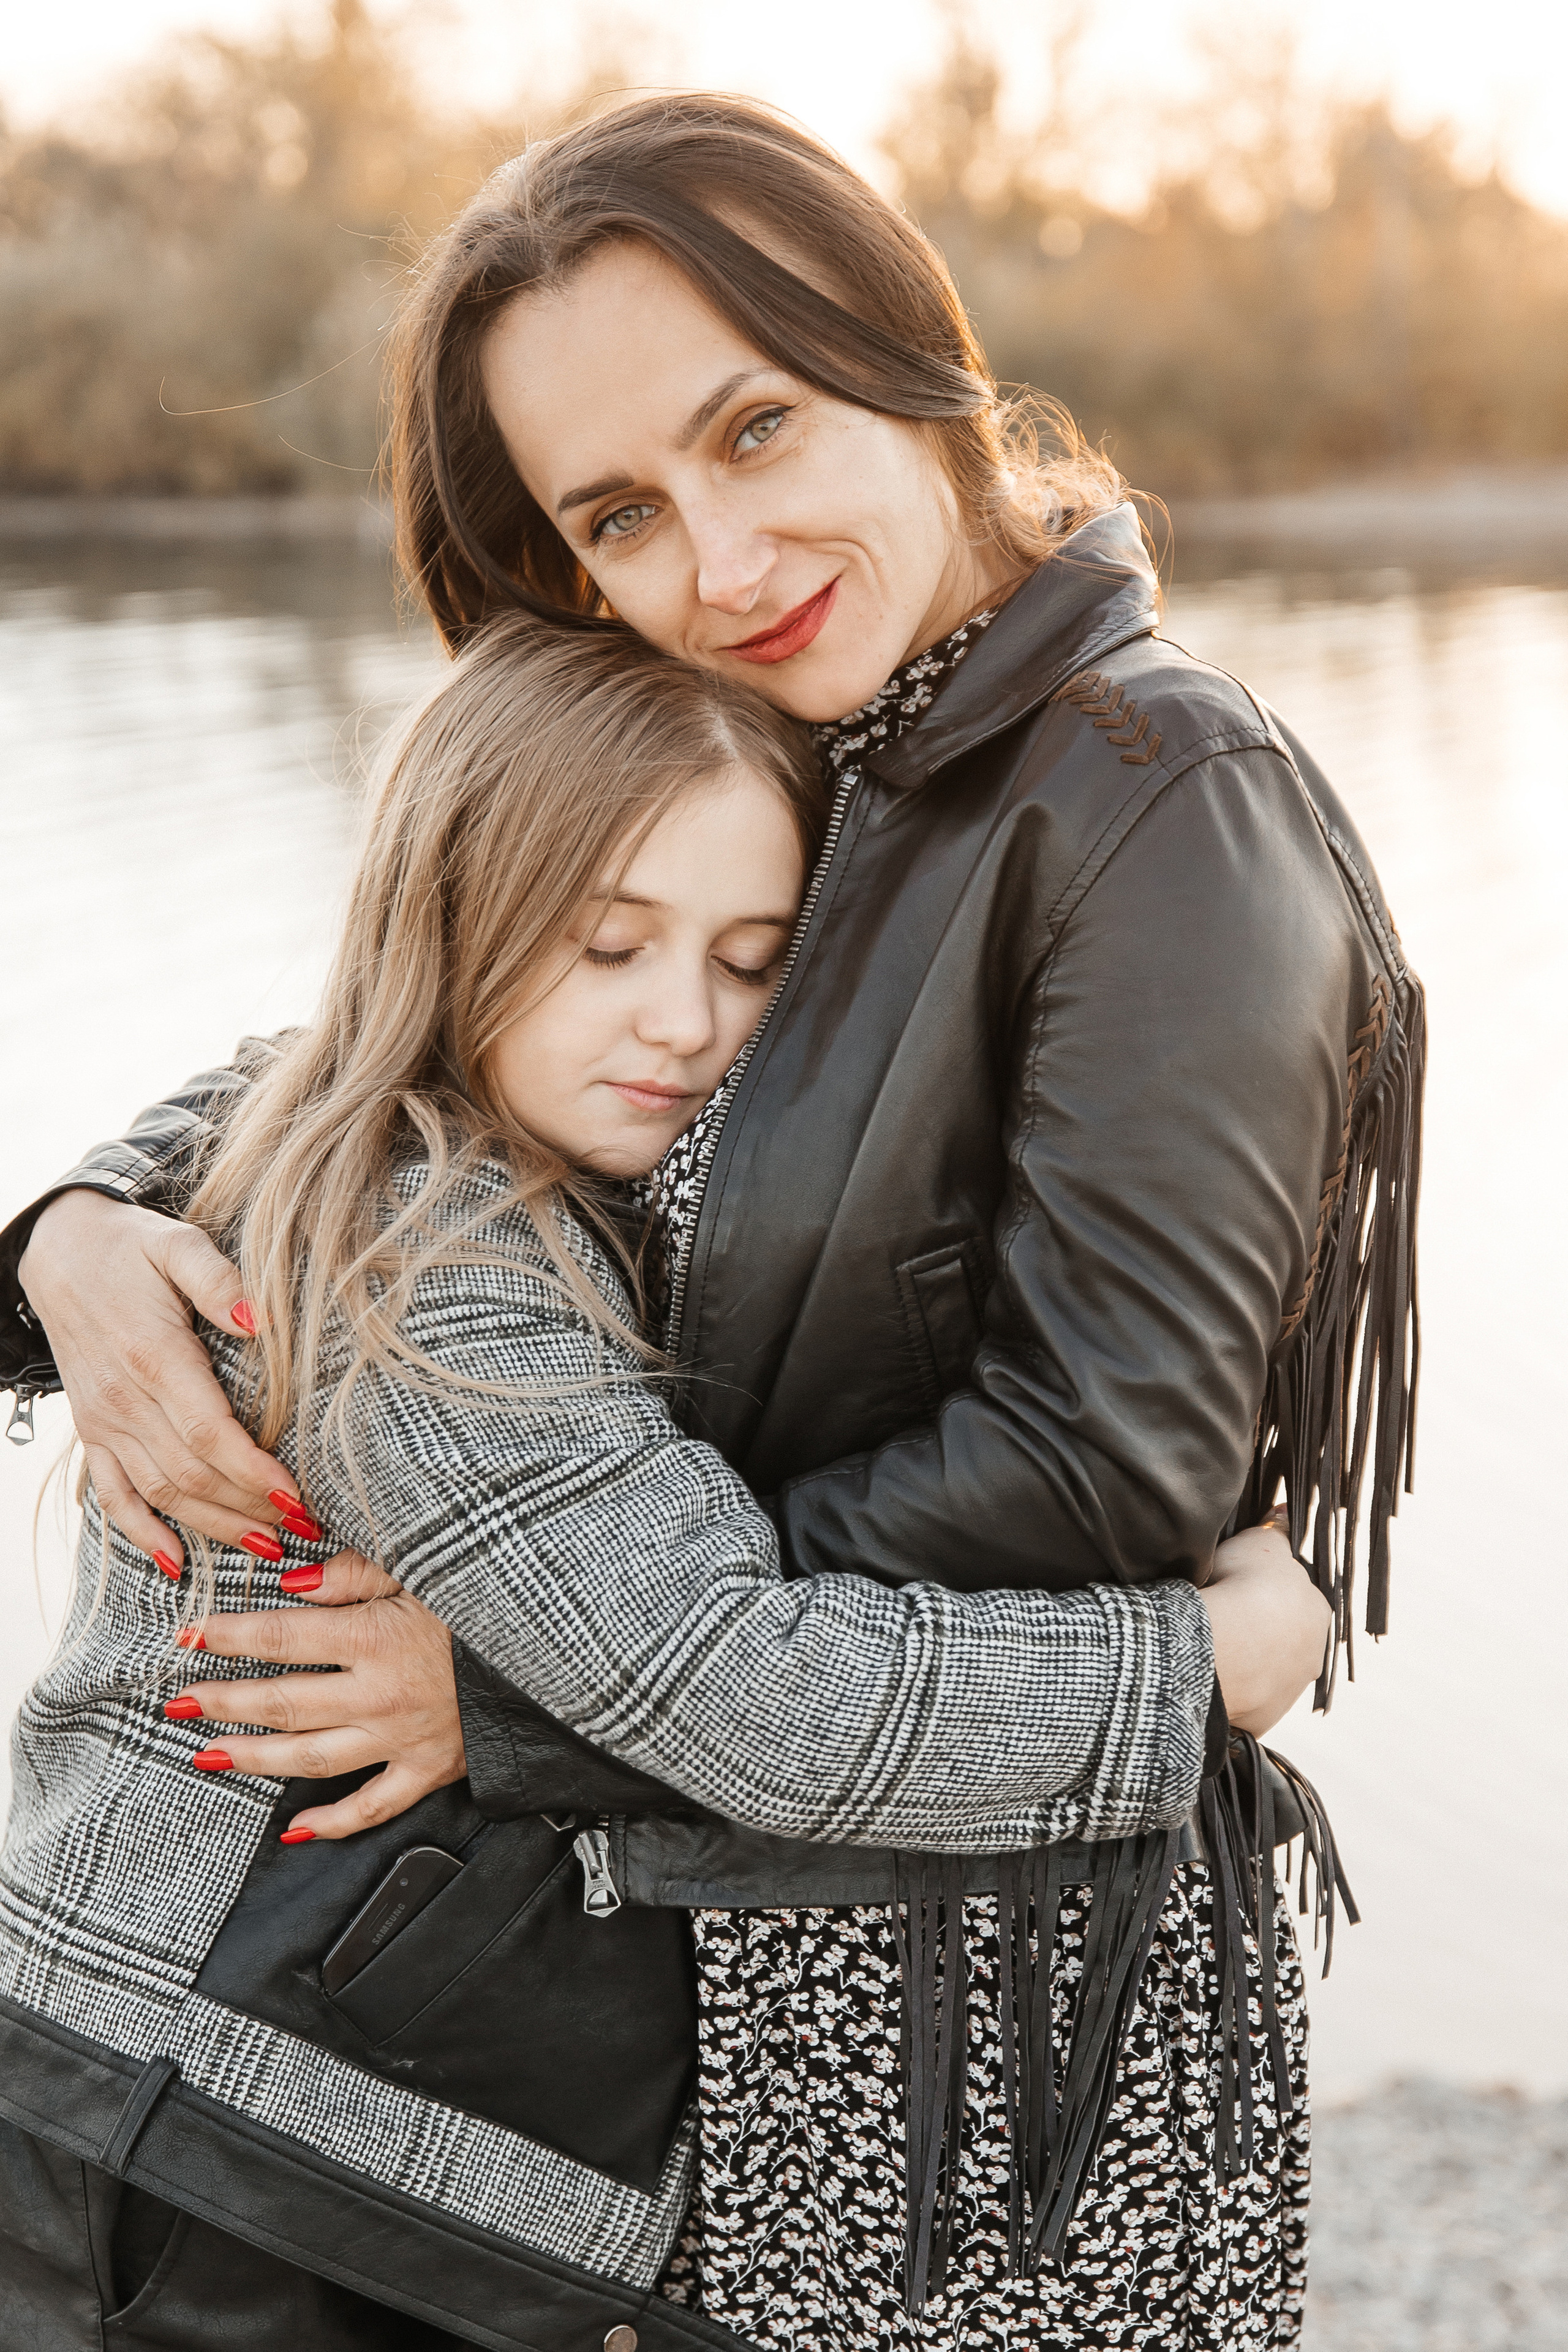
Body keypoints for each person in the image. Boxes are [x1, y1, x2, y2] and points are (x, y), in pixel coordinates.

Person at [0, 92, 1420, 2352]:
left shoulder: (1153, 795)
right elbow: (420, 1027)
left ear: (906, 352)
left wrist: (529, 1691)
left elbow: (1106, 1472)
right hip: (711, 1948)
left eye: (756, 428)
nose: (724, 559)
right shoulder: (810, 738)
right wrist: (81, 1221)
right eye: (621, 515)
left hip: (979, 1979)